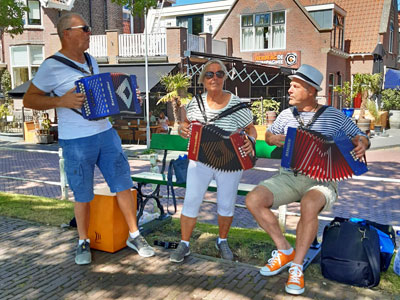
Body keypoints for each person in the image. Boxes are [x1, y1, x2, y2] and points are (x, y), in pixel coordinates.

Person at [23, 13, 154, 265]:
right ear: (66, 34)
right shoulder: (51, 65)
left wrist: (125, 97)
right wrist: (60, 101)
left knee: (123, 184)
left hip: (105, 133)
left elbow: (101, 96)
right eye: (84, 28)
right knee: (82, 192)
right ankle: (83, 240)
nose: (89, 32)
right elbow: (30, 99)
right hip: (76, 140)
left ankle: (134, 235)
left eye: (88, 28)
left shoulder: (91, 60)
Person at [245, 64, 370, 295]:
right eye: (290, 85)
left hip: (321, 180)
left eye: (295, 86)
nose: (289, 90)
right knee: (253, 200)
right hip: (289, 177)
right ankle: (284, 250)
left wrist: (363, 143)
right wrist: (276, 138)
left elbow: (360, 136)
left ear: (311, 90)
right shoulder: (285, 114)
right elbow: (269, 135)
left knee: (309, 204)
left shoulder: (333, 115)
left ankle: (297, 266)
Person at [170, 59, 257, 263]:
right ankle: (184, 244)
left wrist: (251, 140)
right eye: (209, 74)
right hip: (201, 160)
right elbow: (187, 126)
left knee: (226, 204)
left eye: (219, 74)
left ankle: (222, 240)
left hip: (230, 163)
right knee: (191, 200)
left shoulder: (236, 104)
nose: (214, 78)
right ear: (203, 80)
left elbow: (251, 128)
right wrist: (182, 129)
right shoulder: (195, 104)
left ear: (225, 77)